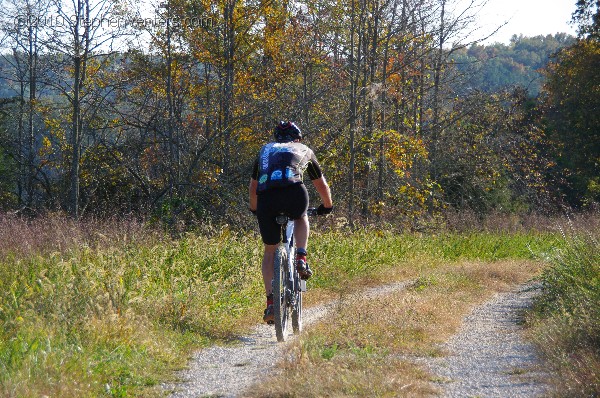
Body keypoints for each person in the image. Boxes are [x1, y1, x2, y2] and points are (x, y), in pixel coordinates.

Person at [248, 121, 333, 323]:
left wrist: (255, 209)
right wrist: (327, 206)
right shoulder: (304, 149)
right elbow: (321, 184)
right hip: (294, 191)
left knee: (270, 250)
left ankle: (270, 303)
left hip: (266, 198)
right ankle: (301, 257)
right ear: (298, 138)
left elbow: (253, 188)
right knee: (300, 216)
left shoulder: (265, 151)